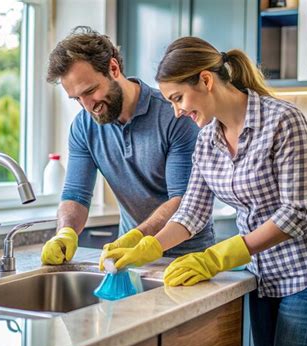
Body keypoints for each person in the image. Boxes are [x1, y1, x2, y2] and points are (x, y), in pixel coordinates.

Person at [101, 36, 307, 346]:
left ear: (205, 80)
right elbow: (191, 212)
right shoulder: (206, 141)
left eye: (178, 98)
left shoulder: (283, 121)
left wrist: (217, 258)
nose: (177, 112)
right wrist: (148, 247)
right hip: (262, 277)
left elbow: (296, 212)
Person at [40, 27, 214, 266]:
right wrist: (65, 232)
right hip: (128, 257)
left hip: (189, 257)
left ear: (113, 68)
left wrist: (138, 237)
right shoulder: (83, 127)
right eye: (77, 98)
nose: (88, 105)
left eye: (90, 91)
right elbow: (76, 195)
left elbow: (182, 199)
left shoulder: (175, 115)